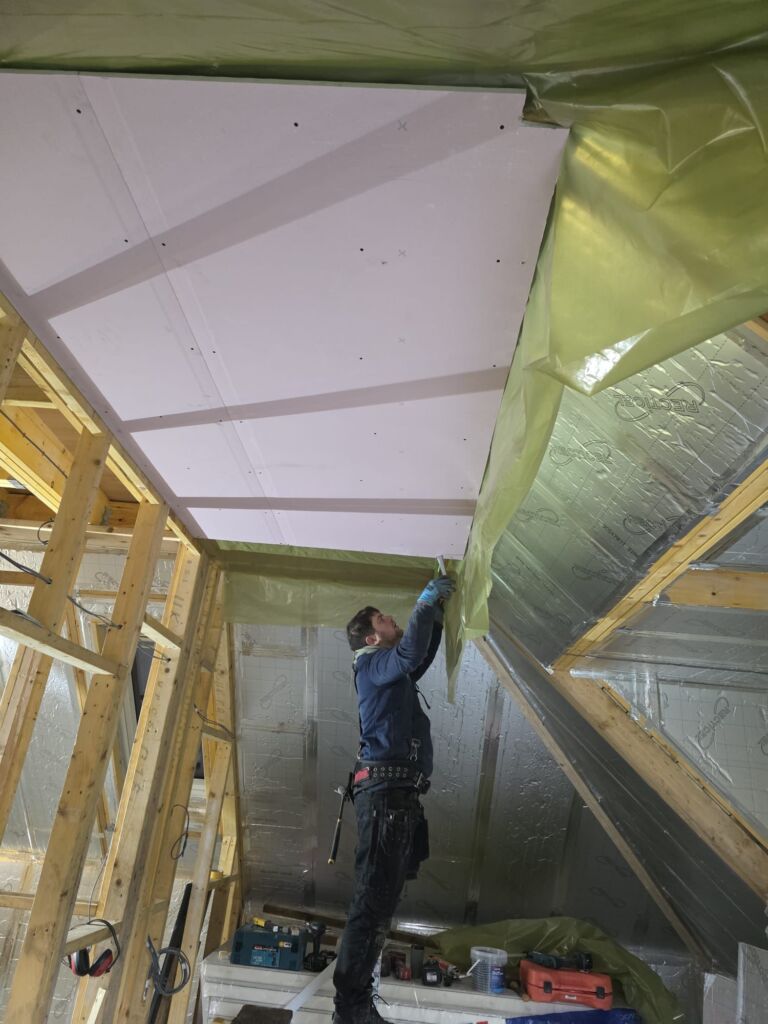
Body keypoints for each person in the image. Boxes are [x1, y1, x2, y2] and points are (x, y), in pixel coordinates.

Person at [332, 575, 456, 1024]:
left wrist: (435, 617)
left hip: (395, 799)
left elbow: (416, 657)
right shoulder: (372, 665)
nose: (391, 619)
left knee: (379, 904)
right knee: (372, 905)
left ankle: (357, 1005)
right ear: (371, 638)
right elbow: (407, 655)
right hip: (387, 799)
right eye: (383, 619)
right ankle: (350, 1010)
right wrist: (424, 603)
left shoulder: (389, 672)